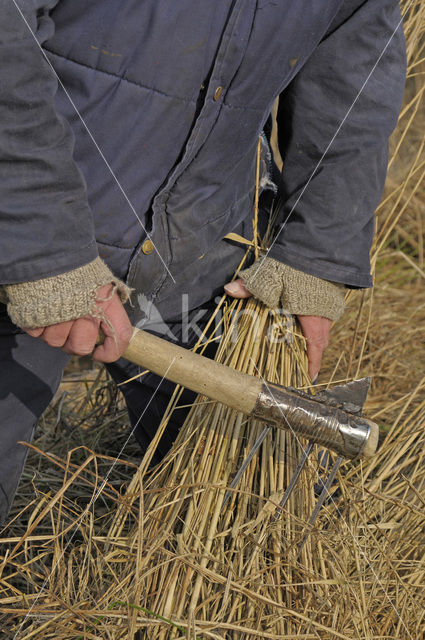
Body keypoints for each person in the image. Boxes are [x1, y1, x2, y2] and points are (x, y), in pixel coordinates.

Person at [0, 0, 406, 524]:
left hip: (200, 242)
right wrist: (42, 243)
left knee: (258, 504)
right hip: (19, 221)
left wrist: (316, 254)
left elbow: (358, 67)